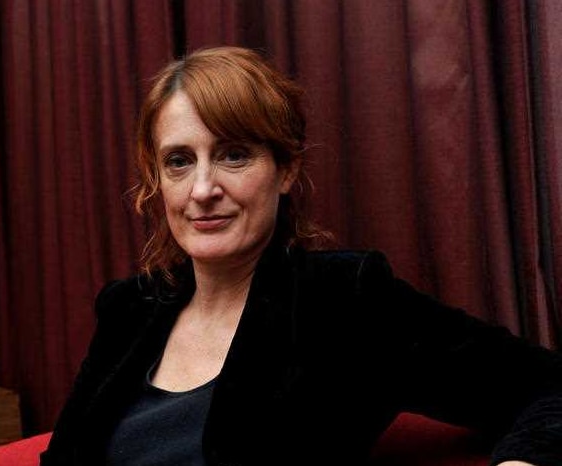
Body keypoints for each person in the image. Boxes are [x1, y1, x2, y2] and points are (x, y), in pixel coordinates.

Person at [40, 45, 562, 466]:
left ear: (285, 169)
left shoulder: (345, 300)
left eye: (233, 155)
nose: (202, 188)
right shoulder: (129, 308)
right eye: (179, 161)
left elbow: (548, 387)